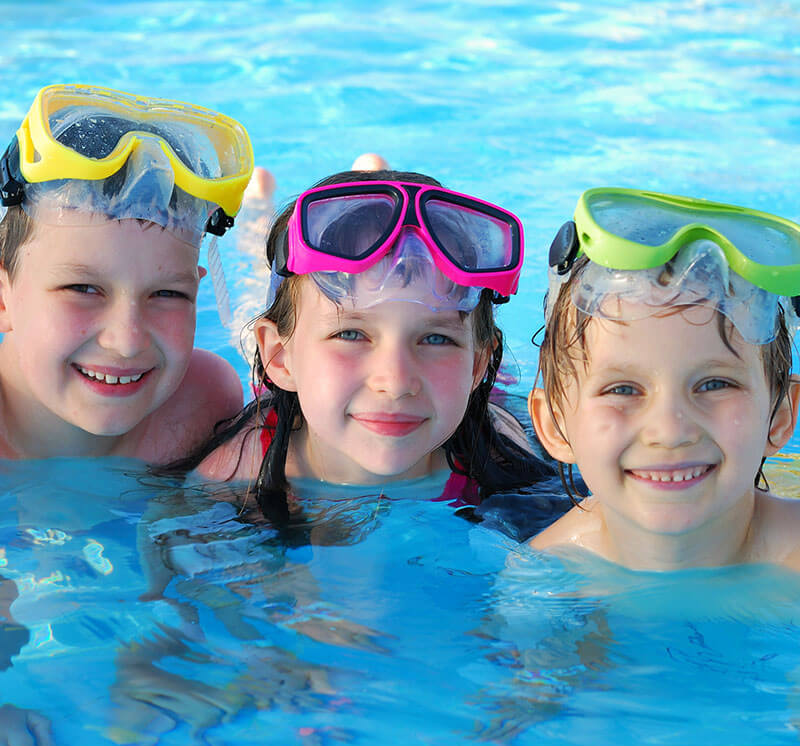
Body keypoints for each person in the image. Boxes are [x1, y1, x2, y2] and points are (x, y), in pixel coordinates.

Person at [183, 169, 555, 514]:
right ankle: (257, 213)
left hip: (477, 404)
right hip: (285, 397)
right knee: (254, 294)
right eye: (350, 334)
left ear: (477, 365)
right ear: (281, 356)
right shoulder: (240, 470)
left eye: (436, 338)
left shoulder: (500, 459)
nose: (395, 382)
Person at [528, 187, 800, 571]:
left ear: (781, 416)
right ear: (555, 425)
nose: (670, 431)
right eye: (623, 389)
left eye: (715, 384)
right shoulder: (544, 578)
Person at [0, 83, 253, 462]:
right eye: (83, 288)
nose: (127, 342)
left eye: (167, 294)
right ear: (4, 298)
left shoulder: (202, 406)